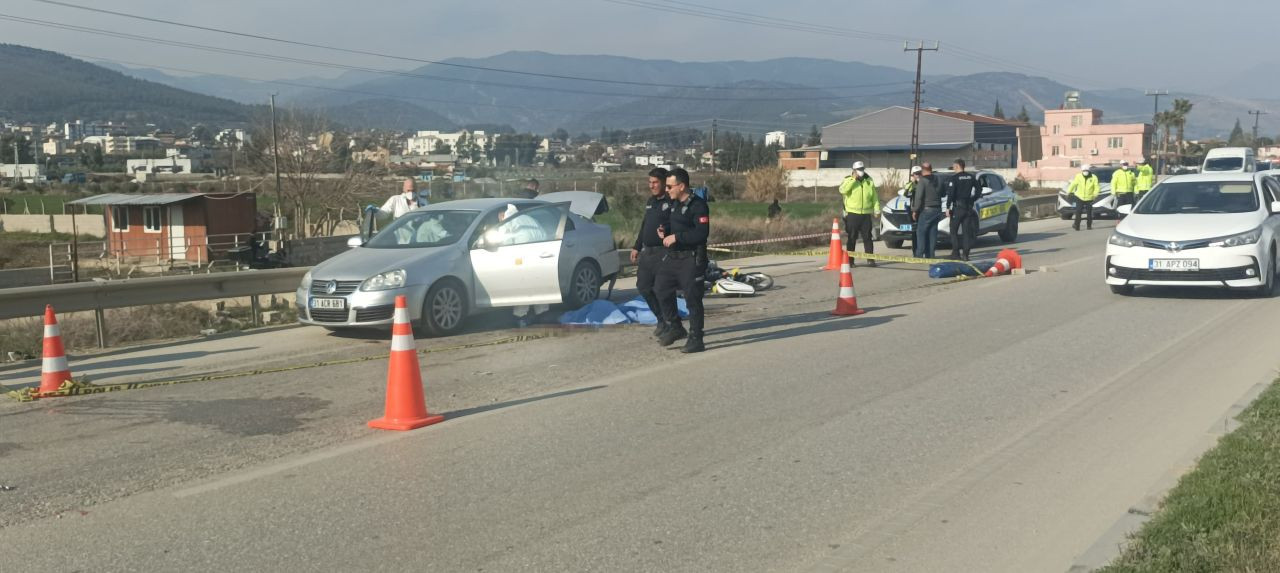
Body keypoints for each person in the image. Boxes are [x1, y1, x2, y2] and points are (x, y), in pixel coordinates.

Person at [655, 168, 710, 354]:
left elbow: (701, 233)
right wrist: (665, 229)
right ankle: (675, 326)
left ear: (681, 186)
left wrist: (677, 237)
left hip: (691, 258)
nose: (667, 189)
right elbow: (676, 223)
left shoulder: (698, 205)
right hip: (673, 257)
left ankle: (696, 338)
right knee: (661, 289)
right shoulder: (675, 204)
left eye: (670, 186)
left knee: (692, 299)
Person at [630, 168, 674, 337]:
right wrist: (636, 246)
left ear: (664, 183)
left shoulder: (671, 201)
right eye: (650, 182)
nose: (652, 186)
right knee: (644, 287)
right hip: (647, 253)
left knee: (662, 289)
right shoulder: (650, 201)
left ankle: (672, 323)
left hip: (663, 252)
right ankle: (661, 319)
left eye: (655, 182)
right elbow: (644, 225)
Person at [839, 161, 880, 267]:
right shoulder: (848, 179)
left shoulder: (869, 180)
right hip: (853, 214)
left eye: (862, 169)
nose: (861, 171)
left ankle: (870, 260)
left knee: (868, 237)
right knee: (852, 237)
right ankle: (850, 260)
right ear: (853, 170)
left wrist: (877, 210)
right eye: (858, 169)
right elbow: (842, 190)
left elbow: (874, 197)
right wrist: (853, 179)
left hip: (866, 214)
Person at [944, 159, 981, 261]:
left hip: (958, 208)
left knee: (953, 231)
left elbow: (950, 194)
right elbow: (979, 190)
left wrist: (948, 207)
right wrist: (972, 199)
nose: (953, 169)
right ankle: (966, 254)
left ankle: (956, 253)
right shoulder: (971, 177)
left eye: (954, 167)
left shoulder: (954, 178)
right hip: (968, 208)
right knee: (966, 232)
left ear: (957, 166)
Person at [911, 163, 943, 259]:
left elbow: (919, 197)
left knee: (921, 232)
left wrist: (915, 210)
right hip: (937, 209)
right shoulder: (938, 179)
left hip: (926, 209)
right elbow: (943, 192)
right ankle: (930, 255)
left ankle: (919, 254)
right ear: (931, 168)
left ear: (923, 170)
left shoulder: (922, 181)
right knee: (932, 232)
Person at [1067, 165, 1100, 231]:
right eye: (1084, 171)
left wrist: (1095, 195)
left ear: (1089, 170)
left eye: (1086, 171)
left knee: (1089, 213)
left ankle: (1089, 226)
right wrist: (1069, 192)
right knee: (1078, 212)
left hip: (1089, 197)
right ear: (1082, 171)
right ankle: (1077, 226)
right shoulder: (1078, 176)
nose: (1085, 172)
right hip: (1079, 197)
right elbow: (1073, 184)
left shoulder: (1093, 177)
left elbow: (1096, 187)